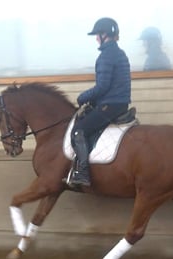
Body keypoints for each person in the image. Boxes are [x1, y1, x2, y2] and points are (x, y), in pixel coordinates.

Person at [70, 17, 131, 187]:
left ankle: (82, 172)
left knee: (78, 129)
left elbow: (103, 86)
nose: (96, 38)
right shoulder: (119, 53)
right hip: (119, 103)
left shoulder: (106, 55)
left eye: (98, 34)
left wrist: (83, 97)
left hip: (110, 104)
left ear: (106, 35)